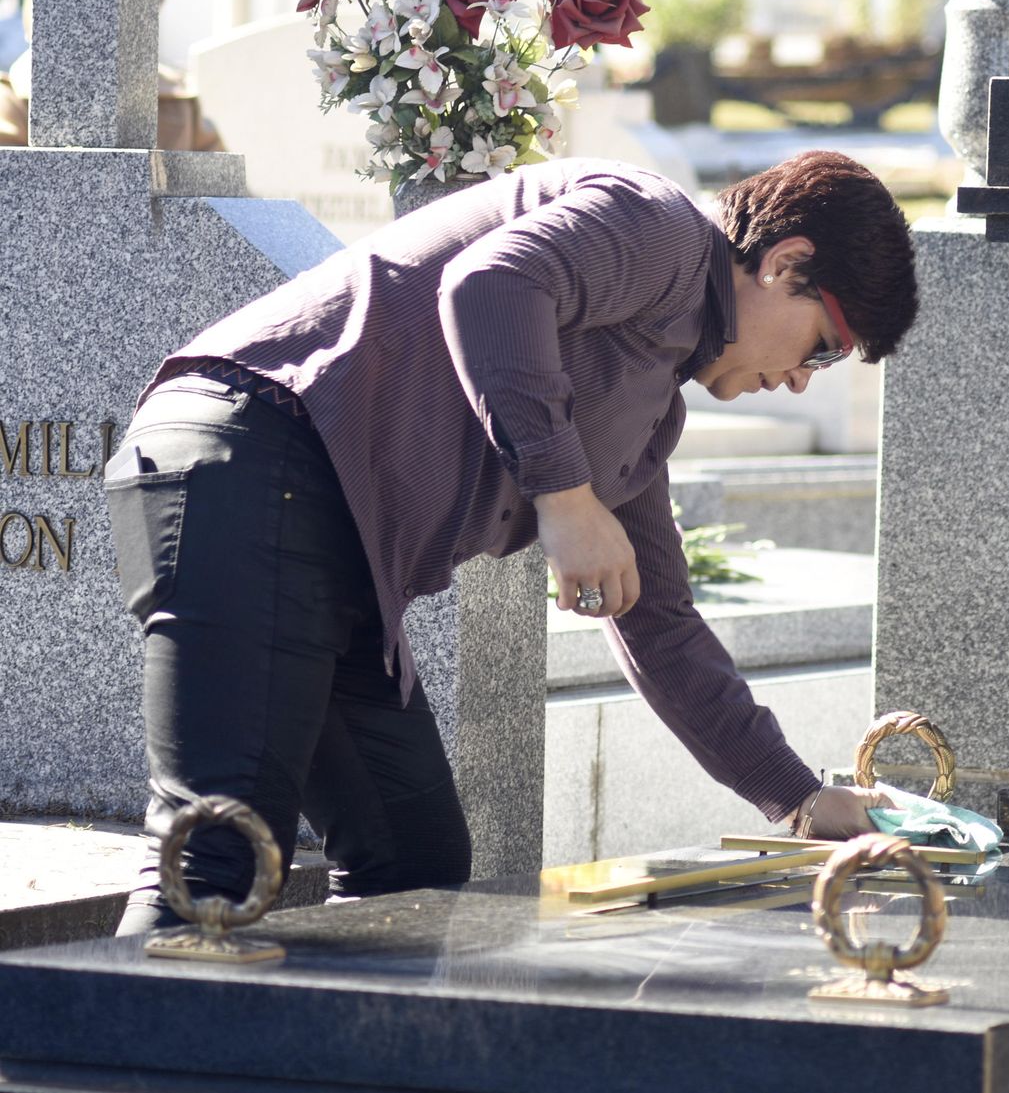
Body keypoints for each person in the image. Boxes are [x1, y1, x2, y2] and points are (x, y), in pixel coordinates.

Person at [107, 150, 917, 933]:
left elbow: (660, 625)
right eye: (825, 347)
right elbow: (491, 282)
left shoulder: (647, 410)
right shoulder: (662, 227)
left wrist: (799, 799)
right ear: (785, 262)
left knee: (413, 865)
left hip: (328, 537)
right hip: (255, 451)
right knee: (215, 865)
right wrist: (565, 498)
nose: (804, 379)